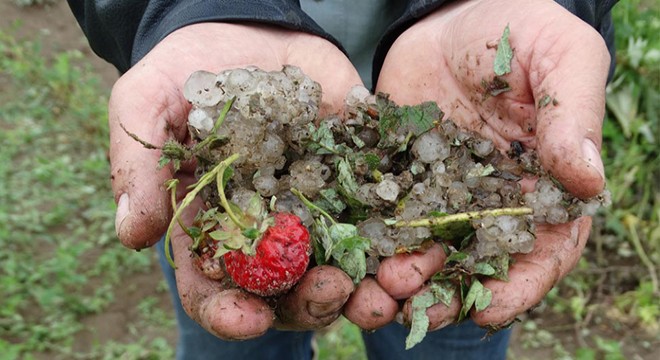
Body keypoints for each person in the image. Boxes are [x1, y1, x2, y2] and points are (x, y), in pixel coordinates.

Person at [68, 0, 617, 358]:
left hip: (464, 91)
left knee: (448, 315)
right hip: (232, 89)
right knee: (236, 335)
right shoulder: (227, 195)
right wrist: (186, 12)